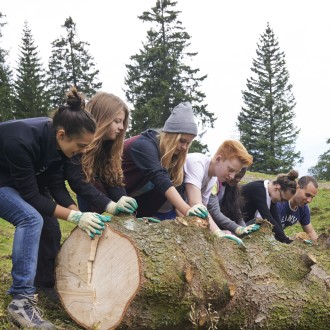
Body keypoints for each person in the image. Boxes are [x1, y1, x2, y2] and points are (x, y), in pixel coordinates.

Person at [0, 87, 110, 329]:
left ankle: (43, 284)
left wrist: (78, 214)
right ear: (62, 135)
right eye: (81, 146)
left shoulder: (59, 146)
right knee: (30, 218)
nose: (81, 152)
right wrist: (74, 215)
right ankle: (21, 300)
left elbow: (56, 186)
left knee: (49, 224)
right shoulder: (22, 139)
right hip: (3, 182)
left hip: (15, 182)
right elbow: (30, 196)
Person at [122, 102, 208, 219]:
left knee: (169, 184)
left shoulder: (172, 157)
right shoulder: (144, 144)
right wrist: (188, 210)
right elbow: (159, 177)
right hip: (105, 194)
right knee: (163, 182)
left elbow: (177, 192)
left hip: (131, 201)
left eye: (188, 143)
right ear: (171, 135)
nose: (184, 147)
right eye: (182, 141)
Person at [65, 92, 138, 216]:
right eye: (117, 121)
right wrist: (109, 205)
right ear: (101, 119)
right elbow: (78, 182)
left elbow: (111, 180)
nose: (121, 127)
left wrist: (125, 205)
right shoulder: (78, 144)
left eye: (123, 122)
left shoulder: (107, 146)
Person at [184, 139, 255, 246]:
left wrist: (218, 232)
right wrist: (218, 232)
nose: (232, 176)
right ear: (218, 159)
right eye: (230, 170)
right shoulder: (197, 163)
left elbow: (203, 208)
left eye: (235, 173)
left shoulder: (213, 178)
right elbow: (195, 204)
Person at [241, 170, 298, 244]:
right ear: (277, 188)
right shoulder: (258, 189)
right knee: (262, 224)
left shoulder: (270, 193)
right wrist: (284, 239)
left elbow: (276, 218)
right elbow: (267, 218)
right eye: (282, 199)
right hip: (233, 223)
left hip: (244, 223)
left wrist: (284, 238)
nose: (282, 202)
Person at [207, 167, 259, 236]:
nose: (238, 179)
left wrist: (245, 229)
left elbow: (237, 212)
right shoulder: (214, 182)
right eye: (237, 176)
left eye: (240, 177)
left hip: (218, 222)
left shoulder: (232, 188)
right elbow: (215, 212)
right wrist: (237, 228)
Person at [277, 175, 319, 241]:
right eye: (307, 195)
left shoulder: (304, 209)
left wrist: (319, 245)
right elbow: (270, 230)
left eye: (312, 197)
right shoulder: (280, 202)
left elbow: (310, 232)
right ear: (297, 188)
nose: (309, 200)